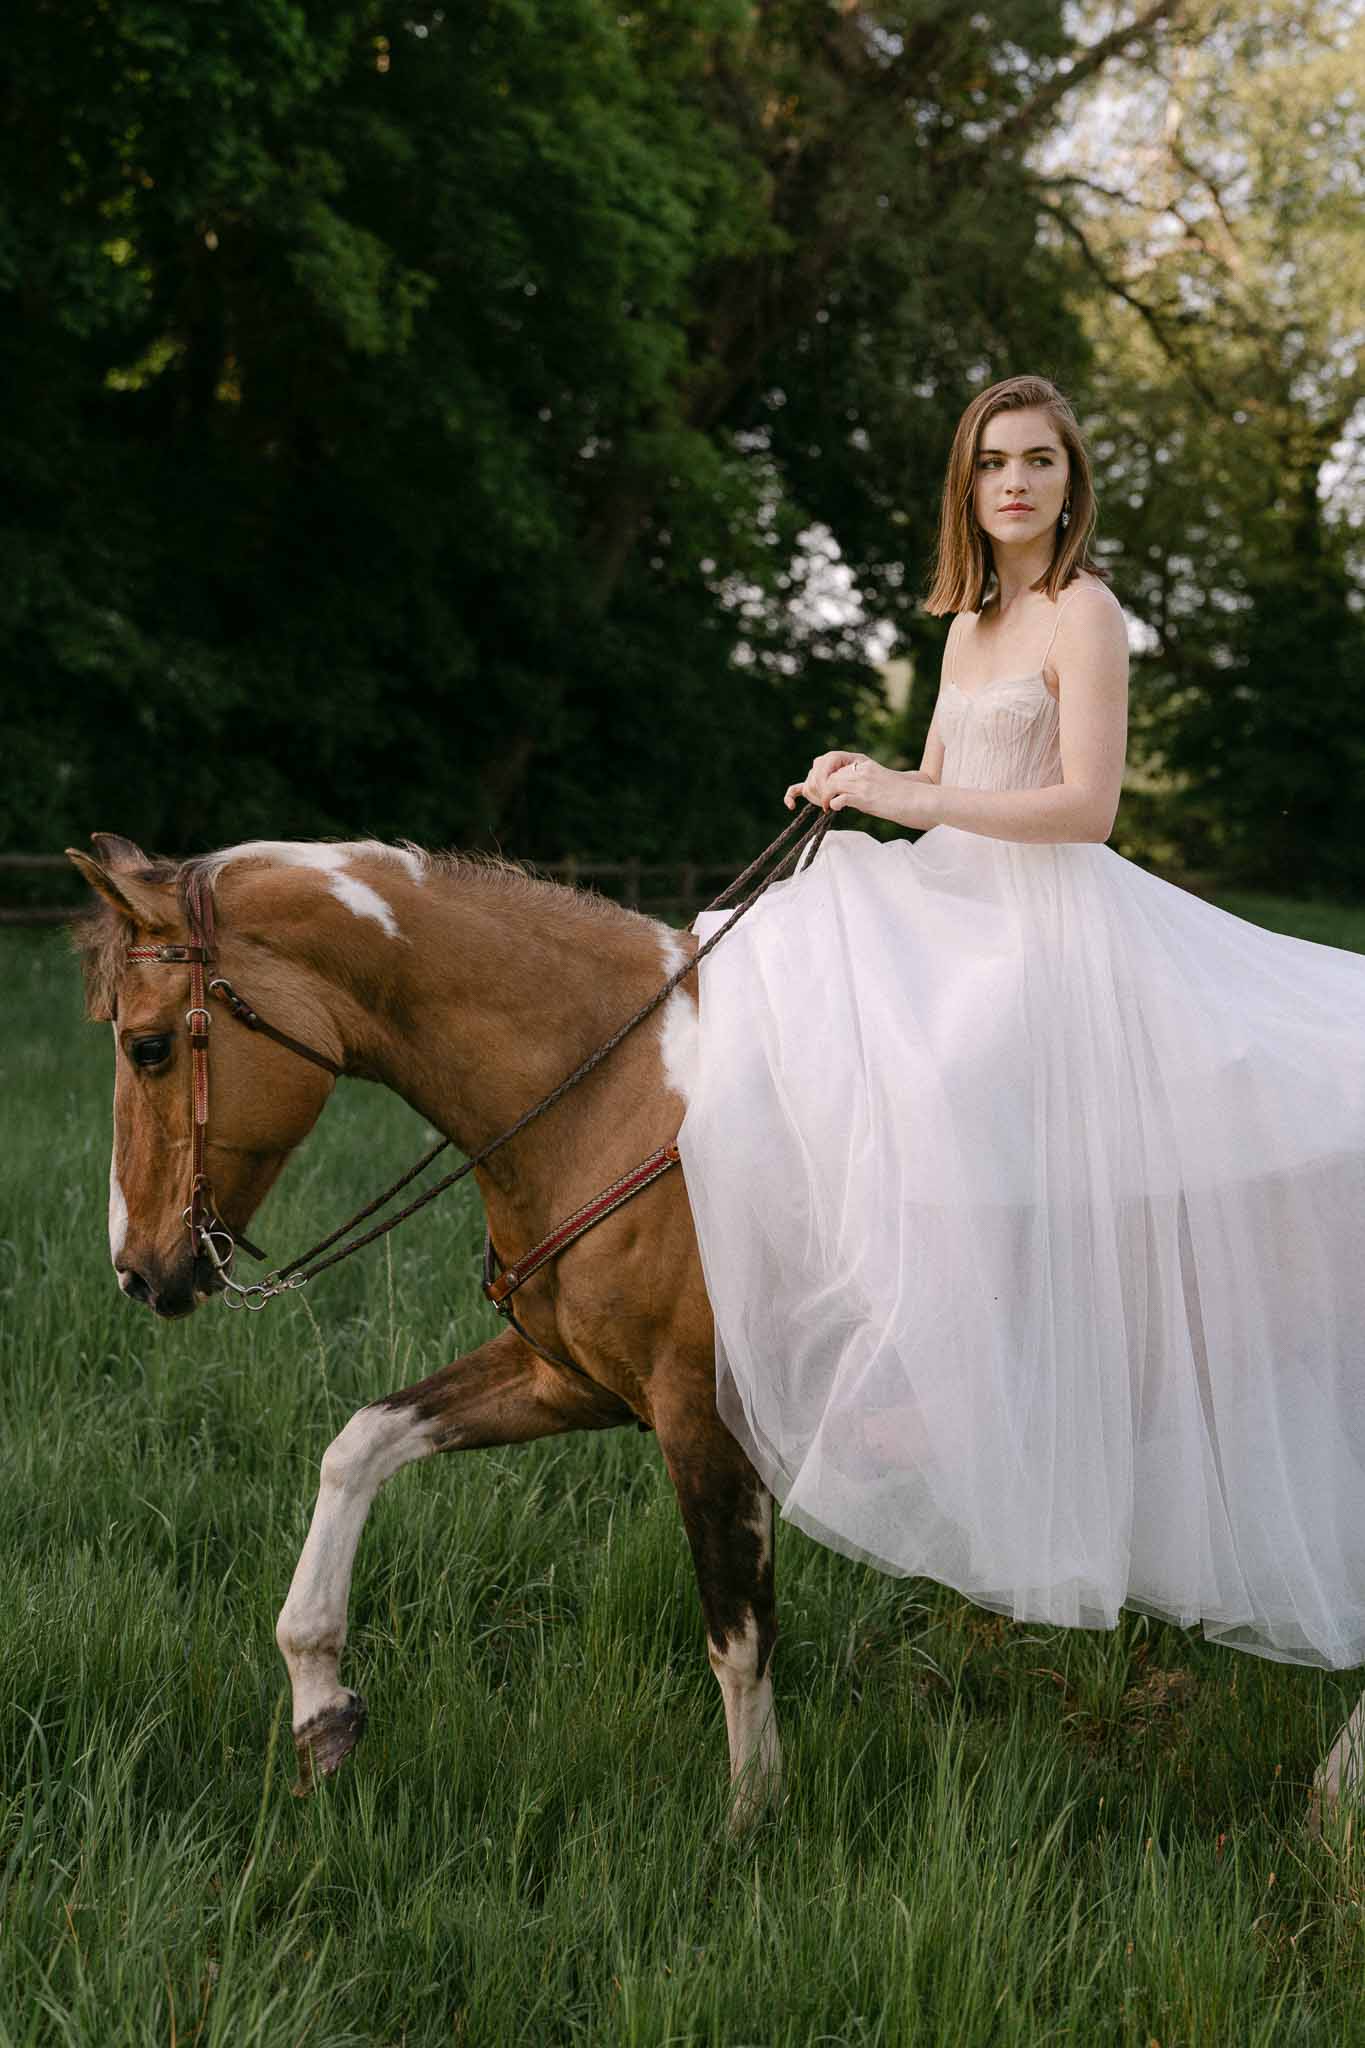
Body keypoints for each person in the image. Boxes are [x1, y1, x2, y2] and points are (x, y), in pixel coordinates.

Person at [674, 372, 1365, 1671]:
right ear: (967, 485)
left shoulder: (1082, 613)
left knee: (943, 1062)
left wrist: (909, 797)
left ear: (1067, 481)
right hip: (957, 889)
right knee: (792, 960)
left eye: (1037, 461)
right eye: (992, 461)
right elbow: (934, 786)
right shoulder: (967, 622)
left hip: (1047, 915)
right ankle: (824, 1312)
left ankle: (925, 1376)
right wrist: (860, 787)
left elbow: (1087, 810)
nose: (1014, 483)